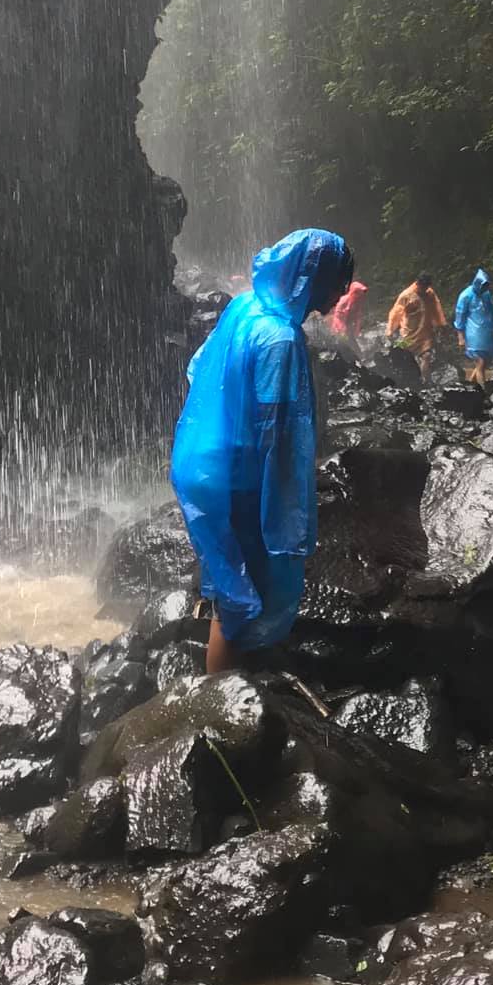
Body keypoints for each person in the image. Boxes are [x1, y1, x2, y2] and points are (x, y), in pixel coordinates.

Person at [170, 228, 354, 672]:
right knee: (242, 597)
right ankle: (221, 713)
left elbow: (198, 369)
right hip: (238, 475)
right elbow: (277, 430)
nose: (339, 295)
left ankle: (230, 694)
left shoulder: (245, 306)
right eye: (336, 283)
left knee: (228, 582)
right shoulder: (280, 338)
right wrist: (291, 501)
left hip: (204, 460)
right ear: (312, 277)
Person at [386, 274, 446, 379]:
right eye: (423, 287)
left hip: (425, 332)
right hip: (409, 332)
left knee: (426, 356)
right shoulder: (406, 295)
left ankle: (425, 381)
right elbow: (396, 313)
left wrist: (440, 323)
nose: (424, 289)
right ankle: (407, 379)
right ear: (417, 284)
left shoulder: (430, 293)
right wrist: (390, 330)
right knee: (406, 355)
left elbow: (436, 308)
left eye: (426, 287)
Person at [453, 268, 493, 386]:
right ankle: (483, 390)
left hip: (486, 333)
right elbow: (459, 317)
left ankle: (470, 384)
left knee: (485, 362)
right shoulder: (465, 296)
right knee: (480, 361)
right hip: (473, 335)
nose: (485, 289)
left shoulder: (486, 295)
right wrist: (460, 337)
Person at [328, 278, 368, 342]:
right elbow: (337, 316)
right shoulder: (344, 300)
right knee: (341, 339)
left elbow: (358, 317)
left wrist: (356, 330)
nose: (361, 295)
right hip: (339, 324)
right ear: (354, 292)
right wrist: (342, 328)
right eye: (358, 293)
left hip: (348, 324)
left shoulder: (358, 302)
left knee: (351, 340)